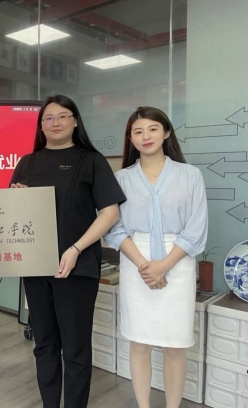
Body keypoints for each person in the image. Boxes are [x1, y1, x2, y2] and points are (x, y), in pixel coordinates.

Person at [9, 95, 126, 408]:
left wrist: (75, 249)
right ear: (41, 125)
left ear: (75, 121)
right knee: (44, 343)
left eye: (63, 116)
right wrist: (16, 200)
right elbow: (13, 217)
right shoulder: (27, 163)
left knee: (75, 348)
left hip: (78, 265)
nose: (55, 122)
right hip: (36, 266)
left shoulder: (91, 160)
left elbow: (110, 213)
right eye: (48, 118)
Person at [104, 107, 208, 408]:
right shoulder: (121, 178)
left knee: (175, 345)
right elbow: (114, 228)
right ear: (130, 138)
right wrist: (144, 265)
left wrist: (164, 265)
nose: (145, 136)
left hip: (178, 260)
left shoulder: (190, 175)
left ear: (166, 132)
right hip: (136, 260)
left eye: (152, 129)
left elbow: (196, 228)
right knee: (140, 343)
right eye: (138, 131)